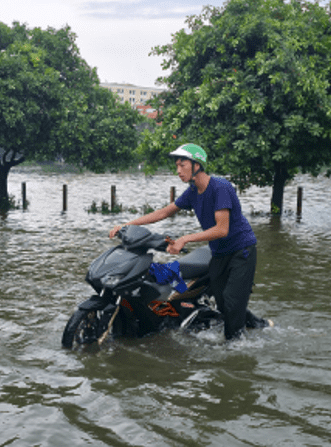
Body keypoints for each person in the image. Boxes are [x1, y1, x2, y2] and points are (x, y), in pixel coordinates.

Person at [109, 143, 262, 340]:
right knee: (224, 304)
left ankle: (235, 353)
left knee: (232, 302)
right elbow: (164, 212)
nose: (178, 170)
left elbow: (221, 229)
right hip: (219, 253)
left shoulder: (220, 188)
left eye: (182, 165)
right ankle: (257, 324)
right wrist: (126, 224)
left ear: (196, 165)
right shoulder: (192, 192)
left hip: (241, 251)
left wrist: (184, 239)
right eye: (177, 166)